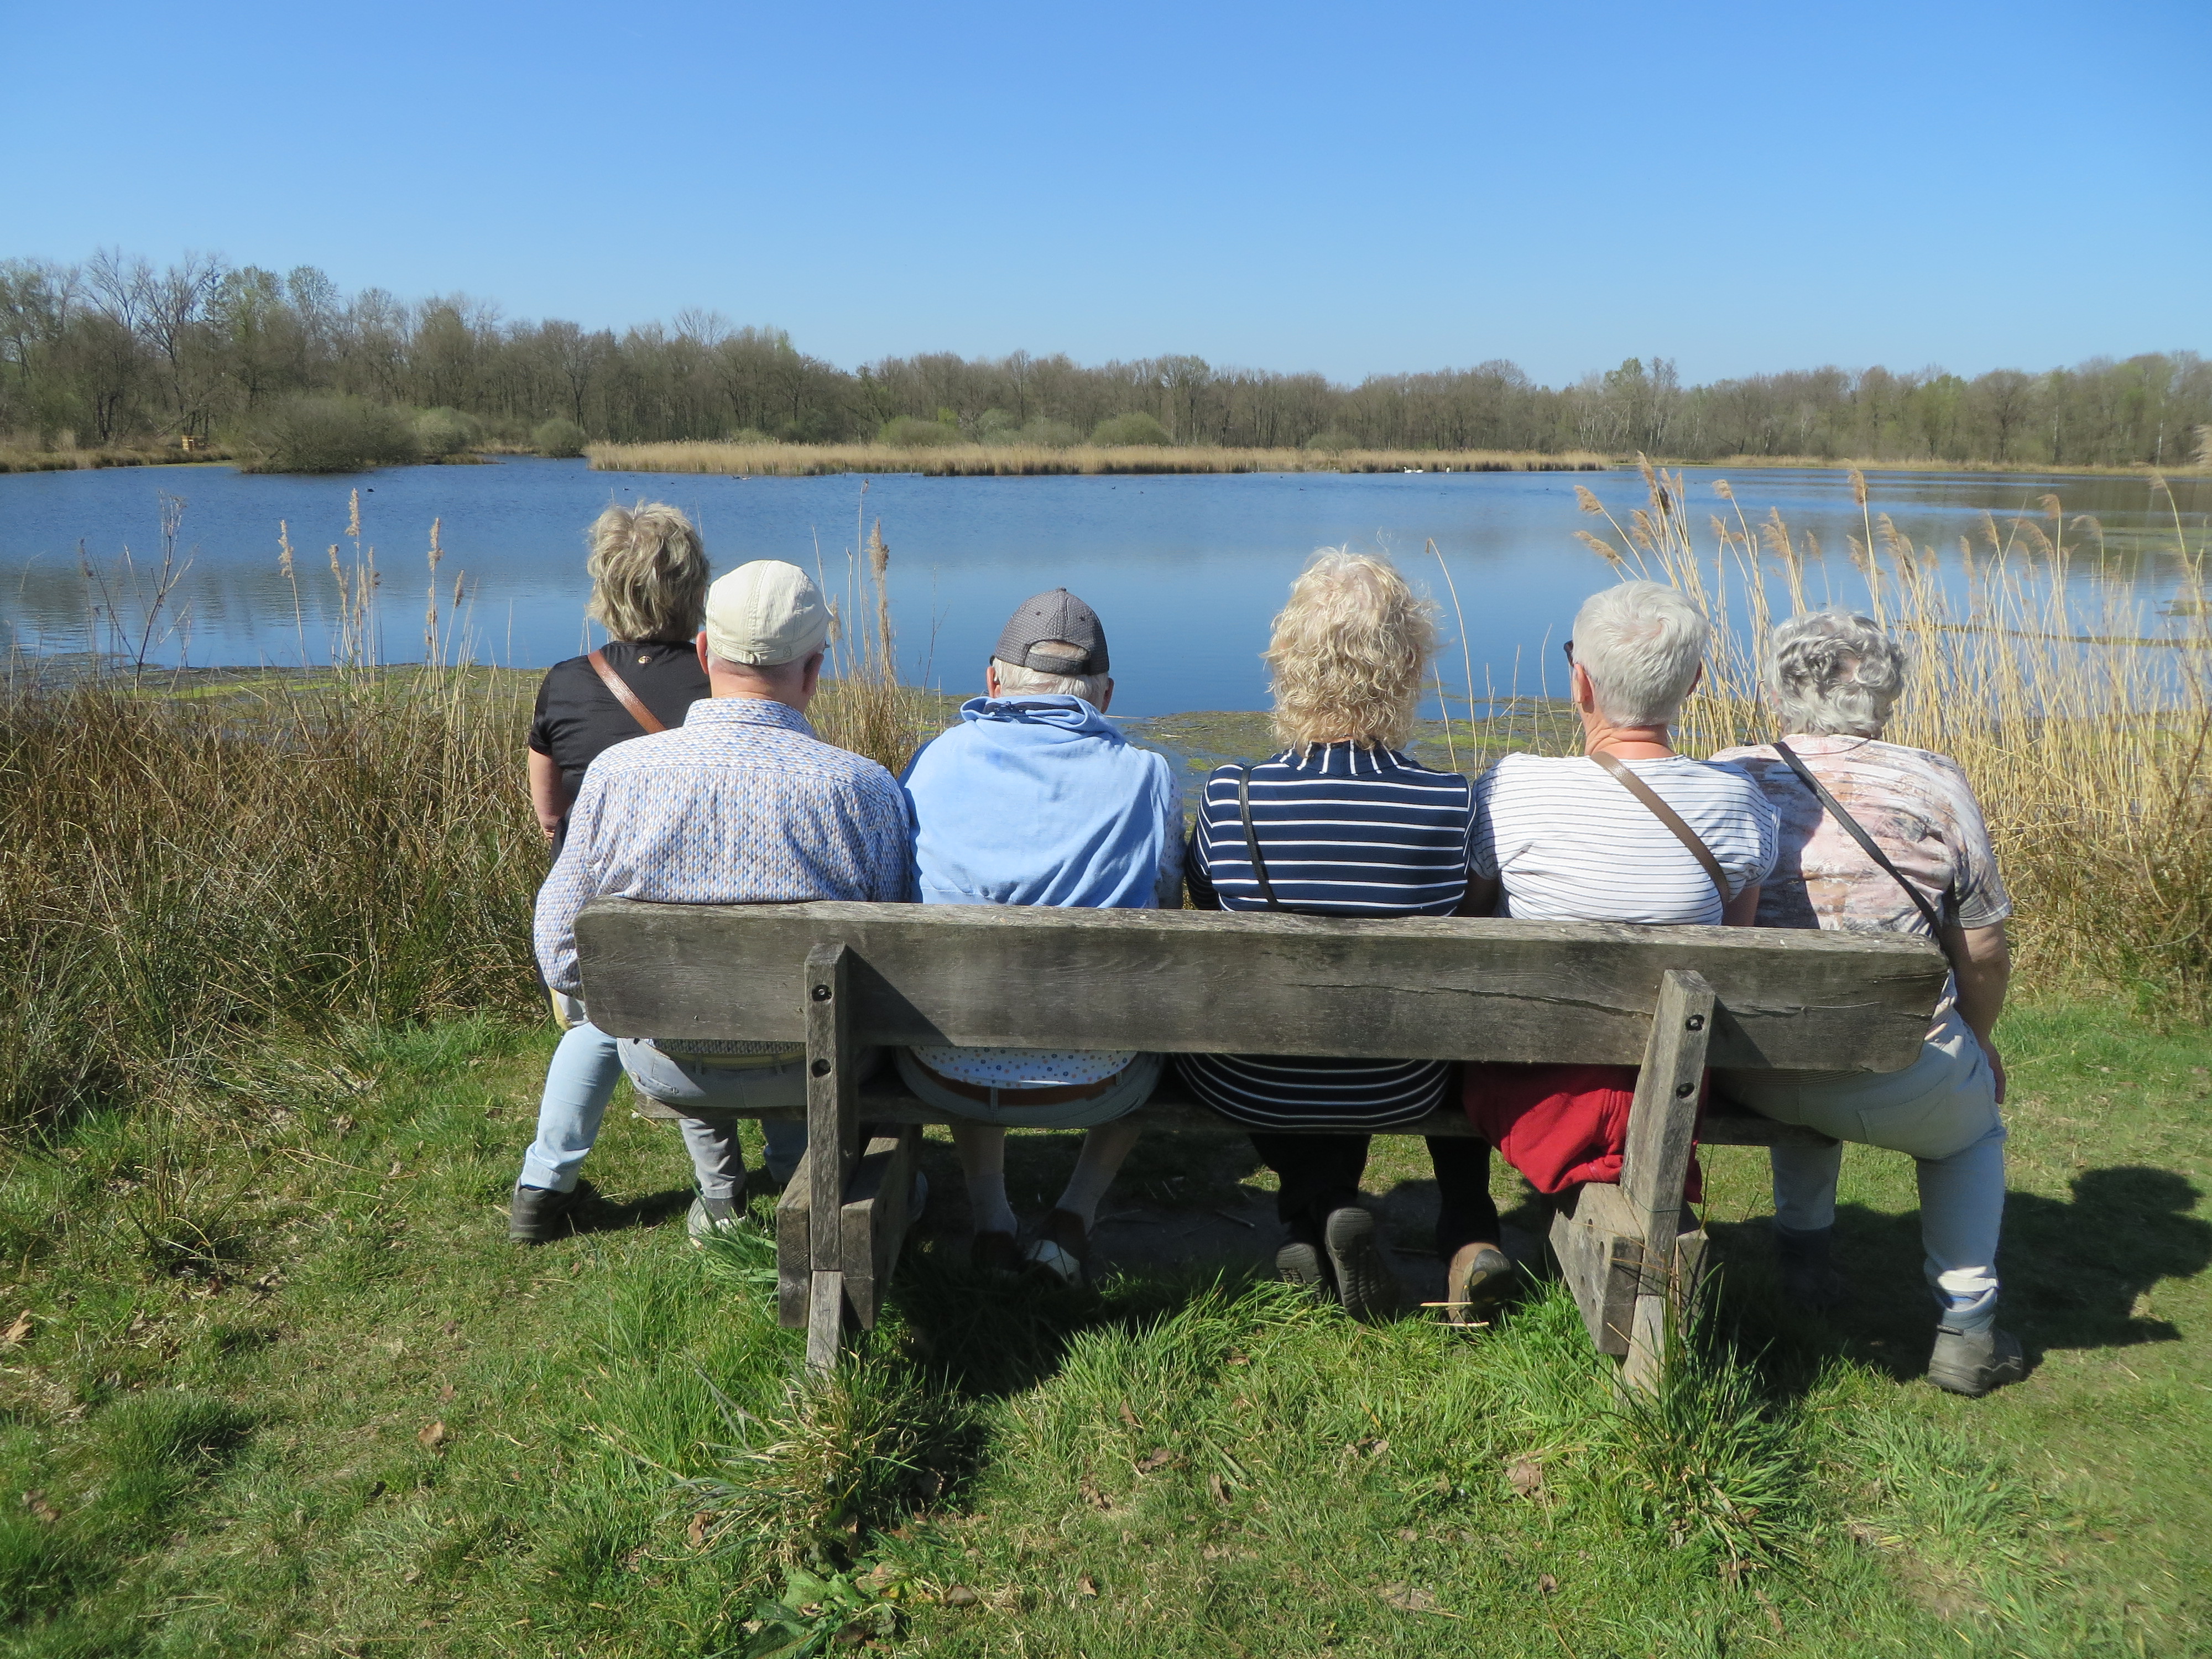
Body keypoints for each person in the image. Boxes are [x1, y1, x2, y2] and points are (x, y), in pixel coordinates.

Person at [515, 558, 911, 1245]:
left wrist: (628, 1002)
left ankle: (722, 1199)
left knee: (686, 1007)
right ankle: (793, 1169)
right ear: (814, 668)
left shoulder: (619, 776)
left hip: (668, 1059)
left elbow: (558, 951)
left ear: (704, 651)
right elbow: (898, 954)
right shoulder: (864, 789)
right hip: (810, 1057)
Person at [1710, 609, 2021, 1398]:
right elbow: (1983, 948)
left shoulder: (1724, 772)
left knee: (1808, 1047)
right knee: (1969, 1134)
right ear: (1886, 690)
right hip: (1897, 1064)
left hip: (1749, 1061)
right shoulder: (1934, 780)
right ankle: (1966, 1327)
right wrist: (1977, 1044)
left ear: (1784, 684)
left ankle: (1802, 1256)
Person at [1178, 550, 1491, 1321]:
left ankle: (1309, 1213)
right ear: (1409, 665)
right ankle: (1388, 1218)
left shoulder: (1231, 796)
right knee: (1425, 1028)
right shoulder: (1454, 805)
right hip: (1398, 1081)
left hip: (1250, 1081)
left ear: (1287, 661)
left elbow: (1211, 914)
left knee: (1290, 1028)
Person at [1462, 581, 1776, 1302]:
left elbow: (1469, 925)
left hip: (1536, 1086)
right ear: (1694, 682)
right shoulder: (1741, 805)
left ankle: (1471, 1223)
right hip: (1669, 1082)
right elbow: (1739, 947)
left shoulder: (1509, 790)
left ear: (1580, 680)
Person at [897, 588, 1182, 1284]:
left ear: (993, 681)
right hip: (1098, 1079)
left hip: (946, 1066)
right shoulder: (1148, 776)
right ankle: (1071, 1219)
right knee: (1162, 1017)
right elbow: (1166, 908)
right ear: (1104, 694)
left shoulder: (933, 763)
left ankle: (993, 1220)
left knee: (970, 993)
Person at [510, 502, 715, 1243]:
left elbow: (550, 819)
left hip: (601, 928)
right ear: (695, 587)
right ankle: (758, 1178)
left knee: (597, 1025)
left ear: (604, 585)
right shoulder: (722, 684)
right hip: (708, 928)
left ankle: (543, 1186)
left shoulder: (564, 684)